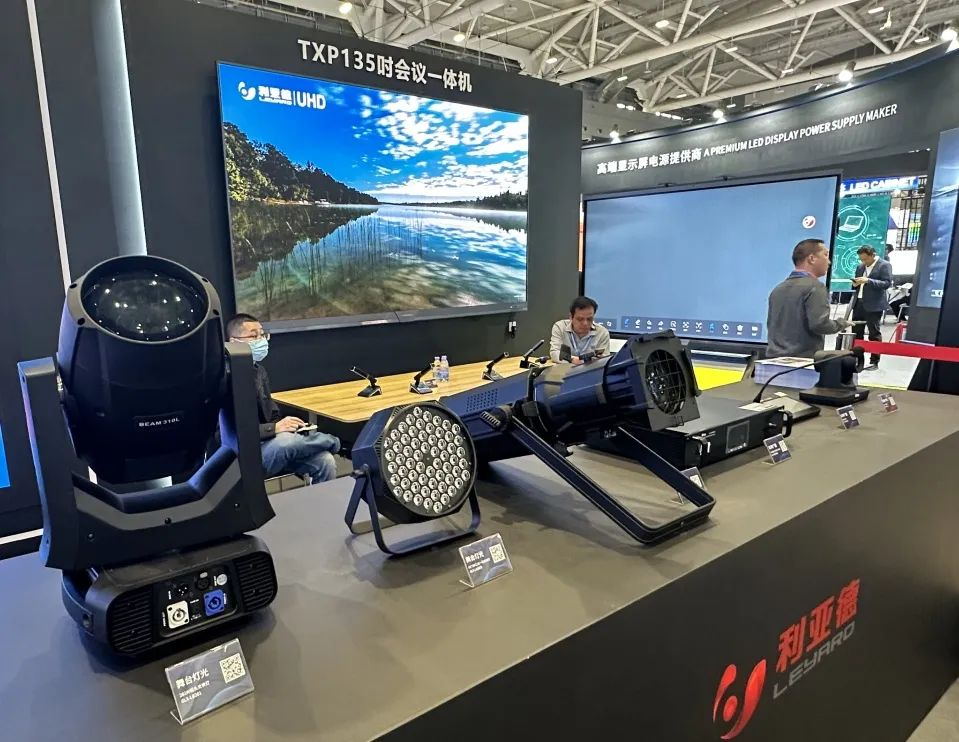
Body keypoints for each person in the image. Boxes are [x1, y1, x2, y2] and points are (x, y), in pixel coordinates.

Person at [227, 313, 340, 484]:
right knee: (286, 442)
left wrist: (284, 425)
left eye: (262, 335)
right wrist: (274, 429)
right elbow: (228, 435)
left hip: (269, 445)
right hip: (241, 456)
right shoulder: (225, 377)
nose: (261, 340)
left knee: (325, 461)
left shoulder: (258, 371)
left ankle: (322, 500)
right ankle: (332, 442)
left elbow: (271, 413)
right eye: (253, 336)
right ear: (234, 341)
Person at [766, 239, 852, 358]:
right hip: (802, 361)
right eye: (825, 255)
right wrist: (841, 323)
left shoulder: (778, 289)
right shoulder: (815, 287)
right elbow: (820, 324)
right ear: (812, 258)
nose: (829, 262)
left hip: (773, 360)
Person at [851, 245, 893, 370]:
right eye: (861, 259)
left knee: (873, 333)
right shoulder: (860, 267)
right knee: (856, 332)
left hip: (874, 305)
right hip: (858, 303)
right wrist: (855, 284)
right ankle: (857, 360)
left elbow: (886, 283)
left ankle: (874, 361)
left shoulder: (884, 265)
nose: (863, 262)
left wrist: (868, 280)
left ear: (873, 255)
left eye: (865, 259)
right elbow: (855, 285)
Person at [550, 296, 610, 364]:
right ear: (571, 317)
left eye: (589, 319)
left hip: (590, 369)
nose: (585, 323)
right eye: (580, 319)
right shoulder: (560, 327)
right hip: (564, 369)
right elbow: (554, 353)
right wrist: (572, 360)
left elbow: (604, 360)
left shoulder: (602, 333)